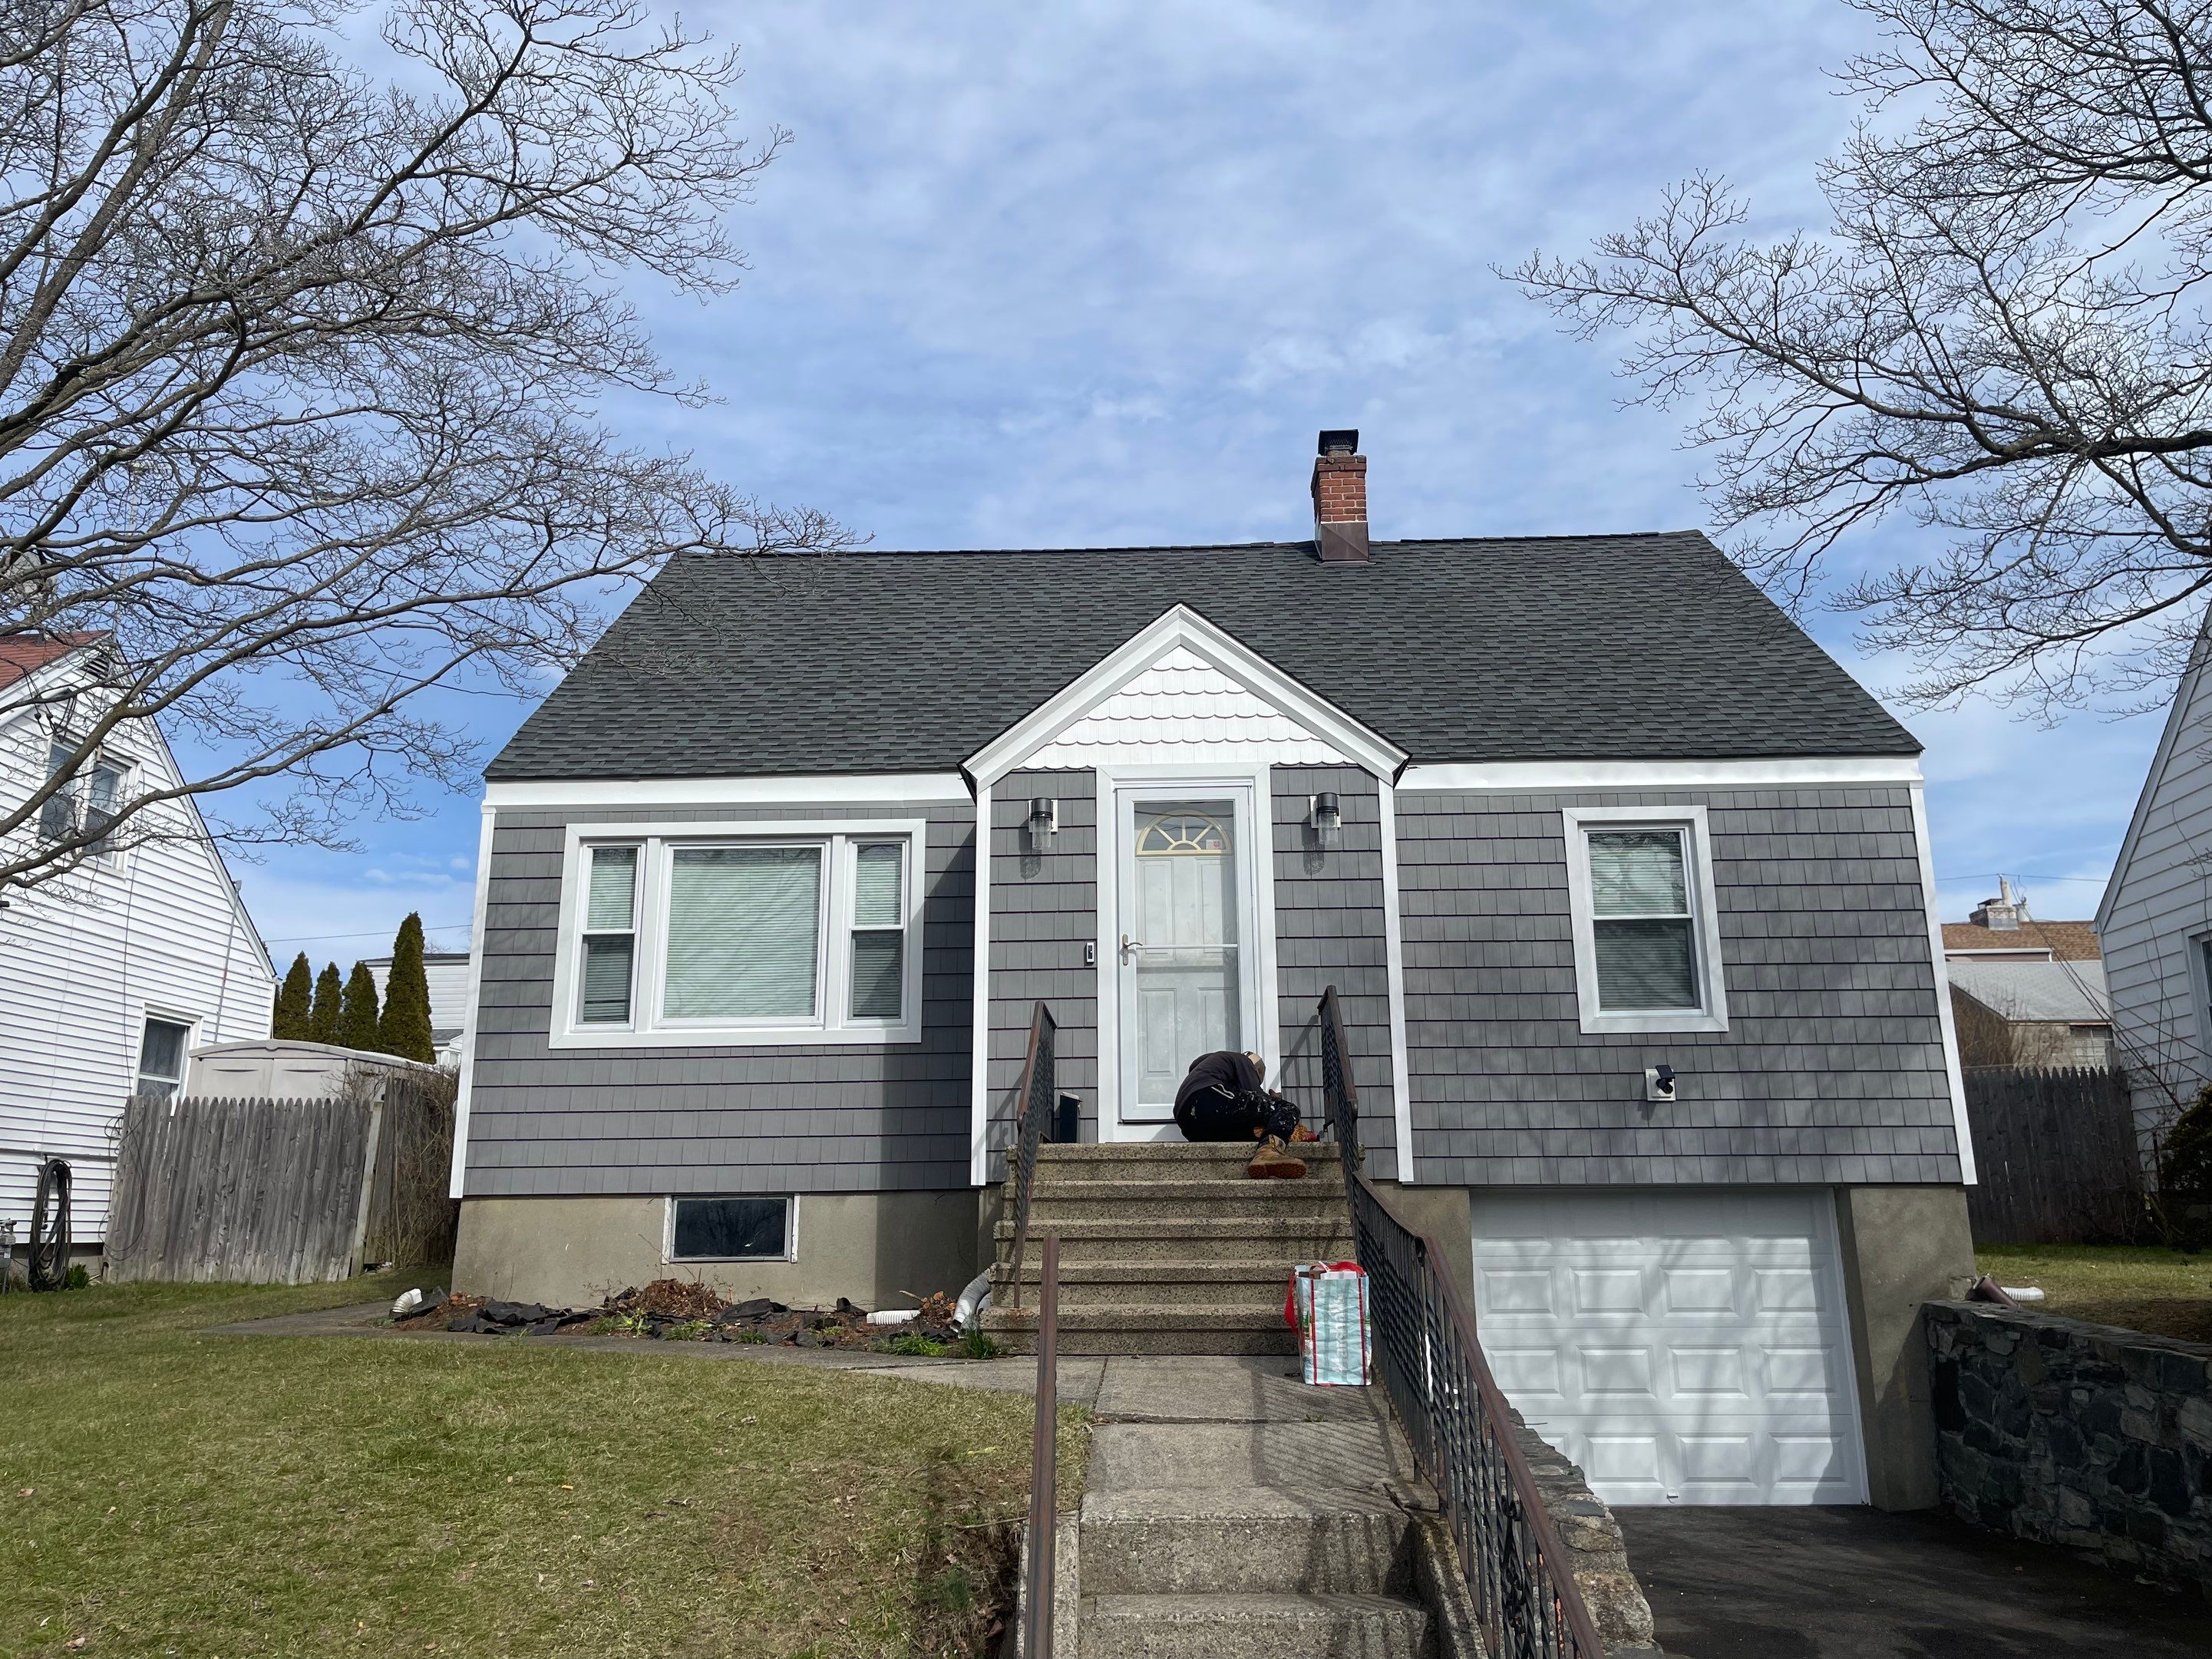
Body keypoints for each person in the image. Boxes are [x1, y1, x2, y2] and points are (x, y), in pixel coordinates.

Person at [1172, 1049, 1317, 1179]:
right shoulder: (1241, 1060)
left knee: (1253, 1127)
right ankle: (1269, 1150)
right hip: (1208, 1096)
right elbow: (1254, 1092)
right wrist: (1274, 1101)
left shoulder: (1206, 1069)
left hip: (1188, 1123)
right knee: (1286, 1108)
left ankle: (1265, 1140)